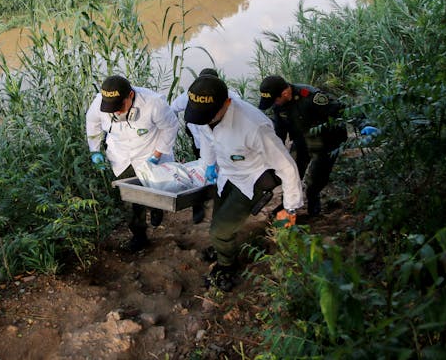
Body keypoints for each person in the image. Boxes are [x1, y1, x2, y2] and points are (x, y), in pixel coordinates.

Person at [184, 75, 303, 291]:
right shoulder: (204, 112)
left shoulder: (253, 125)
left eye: (209, 117)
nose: (206, 121)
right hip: (226, 172)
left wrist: (290, 207)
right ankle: (222, 247)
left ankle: (227, 266)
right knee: (219, 219)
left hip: (252, 177)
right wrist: (208, 165)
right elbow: (207, 139)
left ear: (227, 103)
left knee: (220, 230)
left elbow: (287, 167)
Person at [86, 75, 179, 252]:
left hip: (149, 153)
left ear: (130, 95)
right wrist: (95, 151)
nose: (116, 112)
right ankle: (139, 236)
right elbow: (92, 123)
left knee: (154, 191)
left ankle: (157, 208)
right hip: (121, 158)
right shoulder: (99, 102)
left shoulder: (153, 103)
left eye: (119, 106)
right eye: (112, 108)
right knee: (131, 199)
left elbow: (171, 127)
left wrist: (157, 155)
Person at [258, 75, 347, 217]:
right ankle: (287, 206)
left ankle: (314, 208)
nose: (274, 104)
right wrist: (273, 155)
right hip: (302, 141)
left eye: (275, 100)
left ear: (285, 93)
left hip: (326, 143)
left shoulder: (311, 96)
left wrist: (364, 125)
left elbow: (341, 110)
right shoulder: (278, 104)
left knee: (315, 180)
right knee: (290, 174)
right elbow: (279, 132)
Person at [169, 68, 221, 224]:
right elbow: (172, 109)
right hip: (199, 142)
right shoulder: (188, 95)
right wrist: (177, 129)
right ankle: (198, 206)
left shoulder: (226, 96)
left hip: (221, 143)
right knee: (200, 173)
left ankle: (219, 201)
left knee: (223, 173)